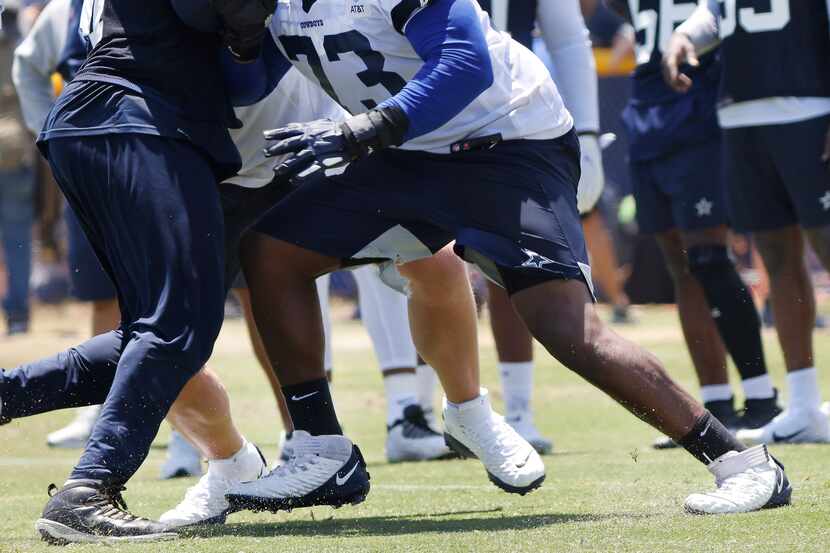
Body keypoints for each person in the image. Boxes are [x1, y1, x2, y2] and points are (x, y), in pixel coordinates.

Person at [222, 0, 791, 517]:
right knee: (271, 254)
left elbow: (466, 63)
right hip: (408, 153)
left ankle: (743, 465)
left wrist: (361, 131)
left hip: (507, 146)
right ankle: (323, 450)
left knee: (568, 329)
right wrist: (240, 41)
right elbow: (251, 80)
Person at [0, 0, 277, 543]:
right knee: (175, 328)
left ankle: (7, 396)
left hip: (103, 120)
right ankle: (89, 489)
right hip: (141, 119)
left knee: (152, 332)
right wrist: (249, 33)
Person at [604, 1, 780, 450]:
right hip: (645, 105)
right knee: (679, 263)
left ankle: (761, 397)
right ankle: (715, 403)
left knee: (708, 257)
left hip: (694, 97)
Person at [664, 0, 830, 445]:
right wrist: (686, 35)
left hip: (810, 105)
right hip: (741, 113)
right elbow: (718, 11)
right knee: (776, 255)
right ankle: (803, 404)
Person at [0, 2, 35, 335]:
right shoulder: (22, 44)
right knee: (17, 239)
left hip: (13, 155)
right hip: (15, 153)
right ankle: (19, 315)